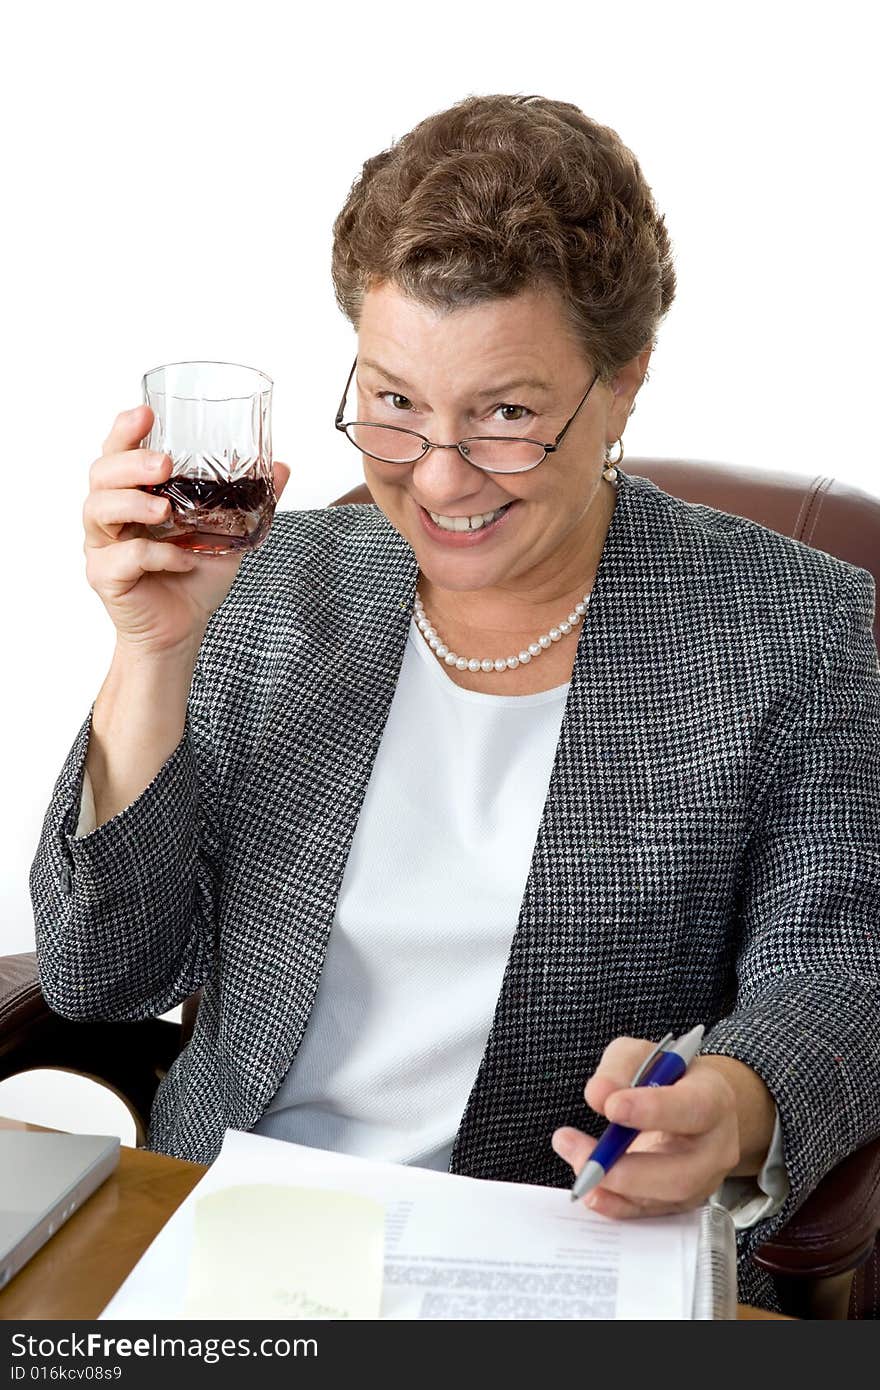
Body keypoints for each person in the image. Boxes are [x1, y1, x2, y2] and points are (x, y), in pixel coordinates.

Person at [30, 93, 880, 1315]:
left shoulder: (784, 624)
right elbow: (102, 973)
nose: (435, 477)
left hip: (555, 1256)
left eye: (506, 416)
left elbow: (840, 965)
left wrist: (736, 1105)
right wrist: (153, 649)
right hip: (233, 1231)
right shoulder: (274, 582)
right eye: (392, 402)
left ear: (625, 377)